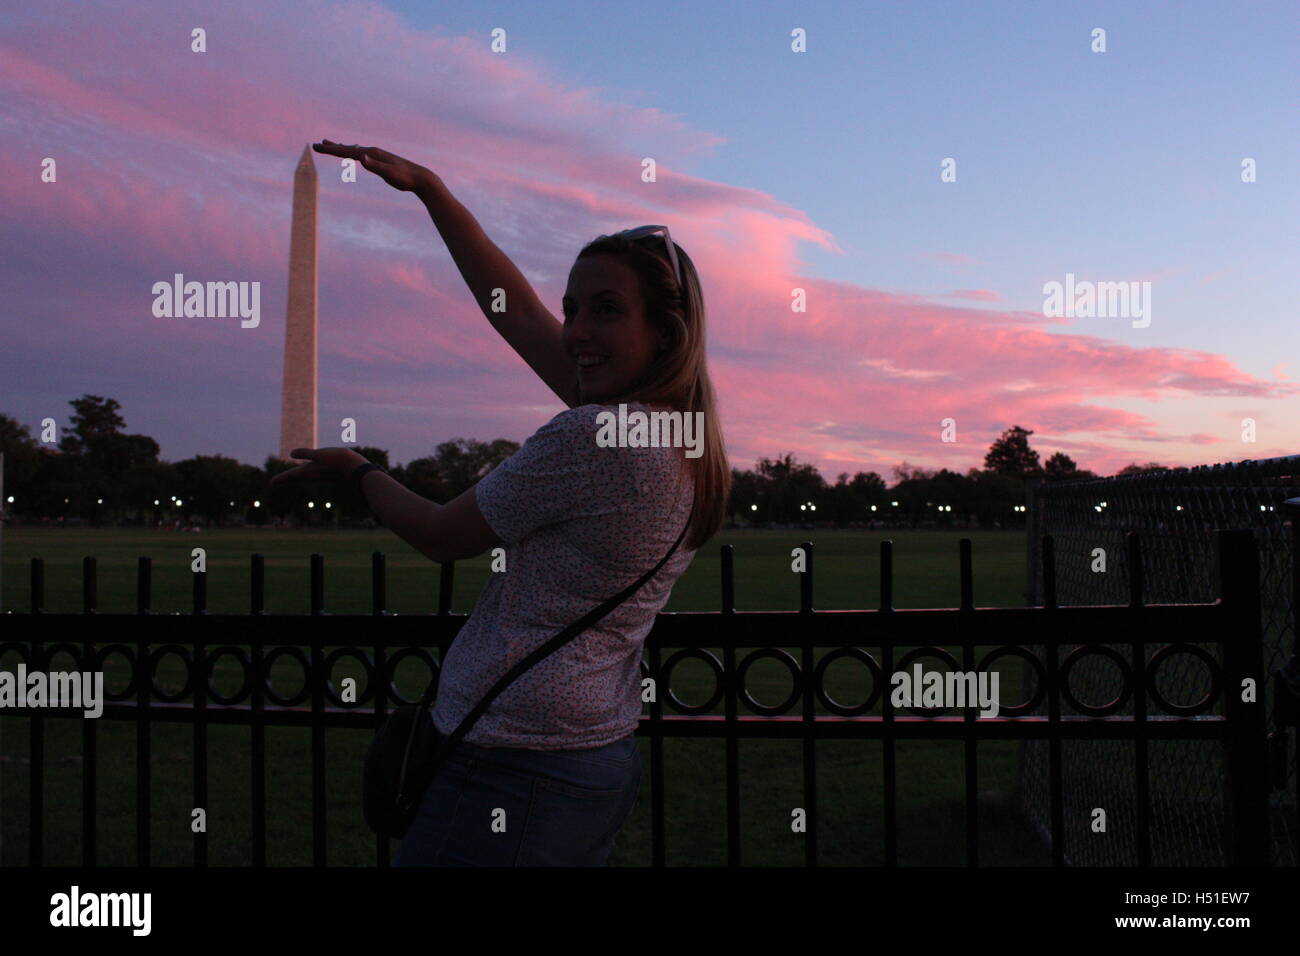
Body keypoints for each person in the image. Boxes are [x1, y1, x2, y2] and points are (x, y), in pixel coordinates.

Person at [271, 140, 730, 865]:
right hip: (590, 753)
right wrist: (432, 192)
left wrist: (360, 471)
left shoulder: (599, 437)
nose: (577, 331)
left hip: (513, 762)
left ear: (665, 332)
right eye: (572, 307)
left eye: (606, 311)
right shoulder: (680, 441)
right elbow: (512, 315)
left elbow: (438, 534)